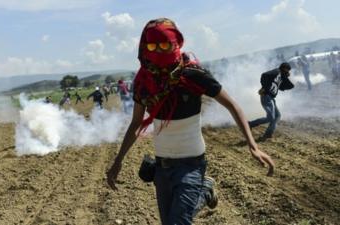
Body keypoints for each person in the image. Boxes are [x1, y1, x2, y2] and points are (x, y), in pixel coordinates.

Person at [106, 18, 275, 225]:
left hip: (191, 165)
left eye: (165, 44)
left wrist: (253, 145)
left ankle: (203, 189)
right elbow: (136, 124)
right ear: (145, 46)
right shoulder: (144, 82)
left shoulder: (193, 74)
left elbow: (232, 105)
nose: (159, 50)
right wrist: (118, 161)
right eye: (152, 45)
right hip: (161, 168)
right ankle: (205, 191)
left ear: (176, 42)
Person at [249, 62, 294, 140]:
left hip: (271, 98)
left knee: (277, 116)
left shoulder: (281, 76)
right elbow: (264, 75)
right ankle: (249, 124)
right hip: (266, 96)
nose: (288, 72)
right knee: (270, 117)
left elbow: (290, 86)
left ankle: (268, 134)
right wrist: (264, 88)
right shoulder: (276, 72)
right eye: (288, 70)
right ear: (284, 68)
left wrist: (286, 77)